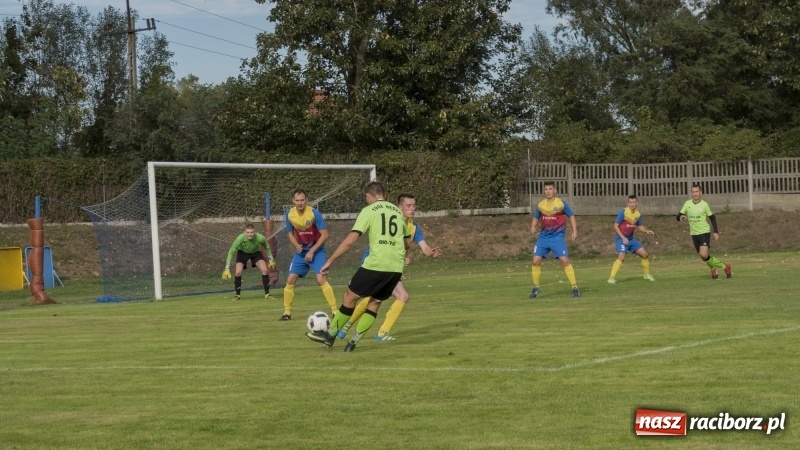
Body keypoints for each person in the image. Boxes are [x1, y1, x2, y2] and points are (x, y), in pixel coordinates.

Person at [305, 181, 410, 352]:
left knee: (350, 296)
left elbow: (351, 241)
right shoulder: (398, 213)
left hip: (376, 263)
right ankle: (353, 341)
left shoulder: (369, 210)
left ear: (369, 196)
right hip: (395, 267)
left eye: (366, 198)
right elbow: (407, 243)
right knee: (374, 303)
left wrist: (330, 261)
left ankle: (330, 335)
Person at [337, 193, 442, 342]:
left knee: (384, 297)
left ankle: (357, 329)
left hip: (391, 268)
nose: (413, 209)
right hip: (375, 263)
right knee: (381, 297)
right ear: (399, 207)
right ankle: (361, 330)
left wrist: (430, 253)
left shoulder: (414, 227)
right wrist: (399, 258)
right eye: (409, 206)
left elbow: (423, 247)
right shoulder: (387, 217)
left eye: (414, 206)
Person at [281, 189, 338, 320]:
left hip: (317, 252)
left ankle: (335, 311)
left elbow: (325, 235)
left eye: (302, 200)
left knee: (321, 279)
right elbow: (290, 233)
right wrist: (296, 245)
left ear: (306, 200)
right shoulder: (289, 214)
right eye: (297, 200)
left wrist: (312, 251)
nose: (300, 203)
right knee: (290, 280)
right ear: (293, 201)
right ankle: (287, 313)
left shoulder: (314, 213)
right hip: (301, 254)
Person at [529, 181, 580, 298]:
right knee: (535, 261)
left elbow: (571, 216)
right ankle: (536, 287)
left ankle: (574, 287)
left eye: (550, 189)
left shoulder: (561, 204)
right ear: (544, 191)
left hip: (557, 238)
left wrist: (574, 231)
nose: (548, 191)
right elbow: (536, 217)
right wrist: (533, 226)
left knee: (564, 261)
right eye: (546, 189)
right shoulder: (541, 205)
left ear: (555, 190)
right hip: (543, 238)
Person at [677, 184, 732, 279]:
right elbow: (678, 216)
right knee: (703, 257)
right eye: (693, 192)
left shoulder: (704, 205)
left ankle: (723, 267)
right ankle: (717, 268)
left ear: (700, 193)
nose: (695, 194)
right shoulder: (687, 204)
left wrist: (715, 232)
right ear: (691, 193)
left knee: (703, 254)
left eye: (697, 191)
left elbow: (712, 218)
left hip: (704, 232)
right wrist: (680, 217)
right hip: (694, 234)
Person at [608, 195, 656, 284]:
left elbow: (640, 226)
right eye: (630, 202)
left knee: (644, 254)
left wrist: (647, 231)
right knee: (621, 257)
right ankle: (611, 278)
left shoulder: (638, 214)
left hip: (630, 239)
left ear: (637, 203)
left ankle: (646, 274)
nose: (632, 204)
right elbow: (615, 226)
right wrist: (623, 238)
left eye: (634, 202)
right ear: (628, 203)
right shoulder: (623, 212)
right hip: (620, 238)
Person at [222, 223, 276, 300]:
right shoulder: (240, 238)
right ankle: (237, 295)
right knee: (238, 272)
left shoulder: (260, 237)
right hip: (242, 253)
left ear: (254, 232)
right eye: (248, 232)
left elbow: (267, 247)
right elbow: (231, 252)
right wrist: (227, 268)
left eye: (251, 232)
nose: (250, 234)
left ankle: (267, 294)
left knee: (265, 270)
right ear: (244, 232)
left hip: (256, 253)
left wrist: (271, 259)